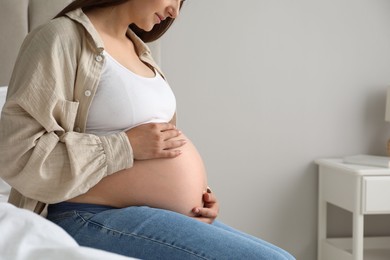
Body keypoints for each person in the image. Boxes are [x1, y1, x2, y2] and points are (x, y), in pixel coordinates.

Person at [0, 0, 295, 259]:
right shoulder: (60, 38)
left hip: (155, 212)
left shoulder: (141, 52)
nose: (174, 12)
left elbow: (160, 144)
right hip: (85, 214)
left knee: (283, 257)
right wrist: (125, 146)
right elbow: (17, 152)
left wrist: (198, 195)